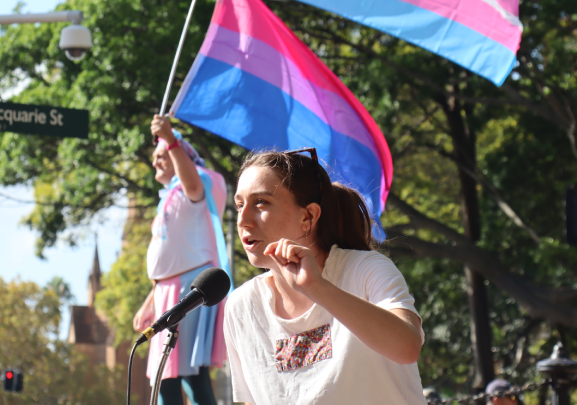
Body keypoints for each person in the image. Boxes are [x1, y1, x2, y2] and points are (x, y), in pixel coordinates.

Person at [224, 149, 427, 405]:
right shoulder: (241, 305)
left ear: (308, 216)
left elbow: (408, 347)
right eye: (240, 204)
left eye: (261, 202)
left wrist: (316, 288)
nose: (242, 220)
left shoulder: (365, 269)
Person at [132, 115, 229, 405]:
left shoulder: (194, 185)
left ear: (181, 155)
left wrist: (170, 139)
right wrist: (152, 299)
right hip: (167, 291)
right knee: (165, 375)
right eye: (156, 156)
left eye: (162, 155)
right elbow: (168, 256)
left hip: (189, 288)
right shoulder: (170, 196)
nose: (155, 162)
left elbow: (193, 185)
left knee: (189, 374)